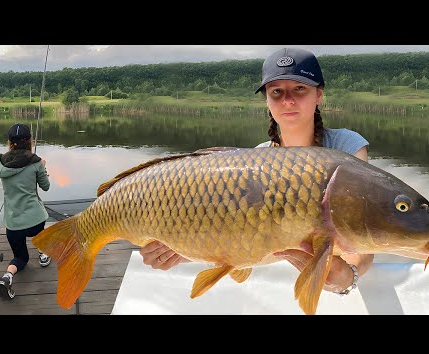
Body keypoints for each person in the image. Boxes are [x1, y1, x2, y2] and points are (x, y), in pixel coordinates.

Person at [139, 47, 374, 296]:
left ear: (319, 95)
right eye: (277, 92)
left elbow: (363, 232)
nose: (288, 100)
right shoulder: (255, 161)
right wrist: (180, 252)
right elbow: (237, 237)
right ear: (267, 101)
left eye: (300, 89)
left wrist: (348, 276)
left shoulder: (346, 146)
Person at [0, 123, 52, 300]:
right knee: (39, 235)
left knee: (20, 258)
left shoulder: (0, 162)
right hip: (35, 220)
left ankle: (7, 276)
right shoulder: (36, 162)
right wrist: (43, 167)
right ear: (29, 141)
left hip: (13, 223)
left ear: (10, 142)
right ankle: (43, 254)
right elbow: (46, 187)